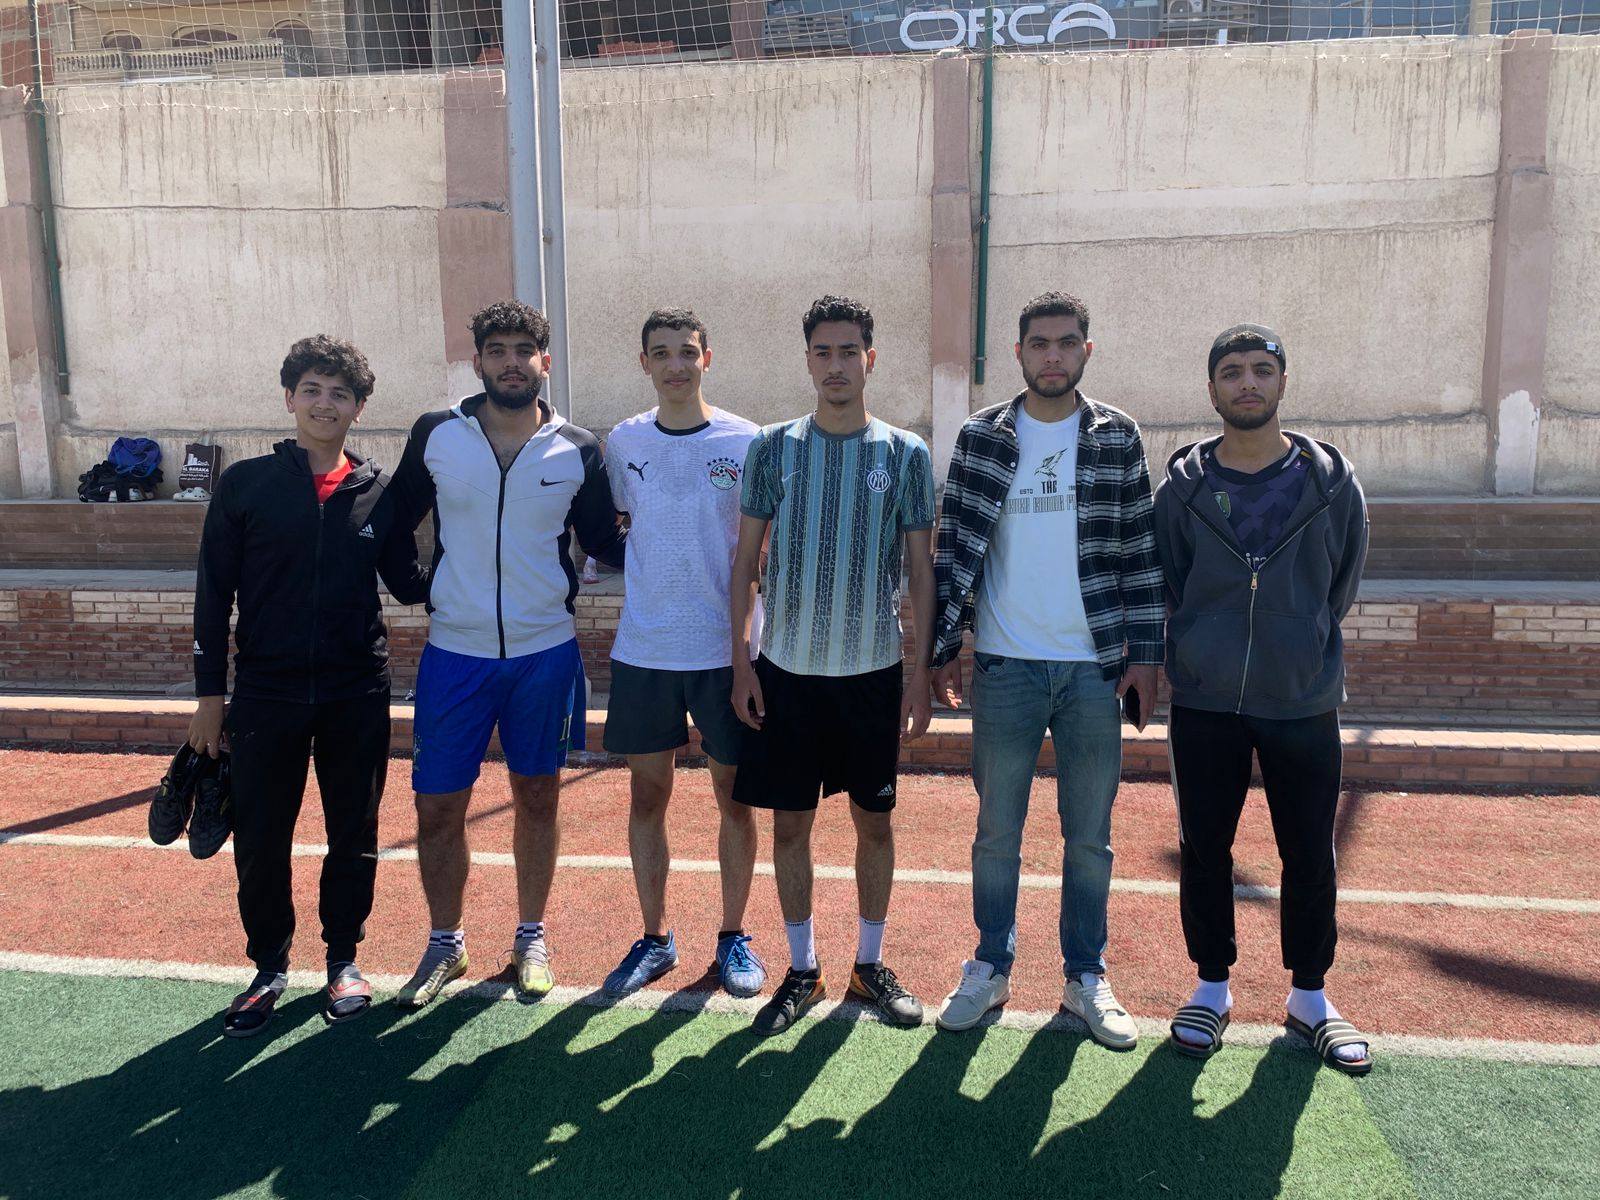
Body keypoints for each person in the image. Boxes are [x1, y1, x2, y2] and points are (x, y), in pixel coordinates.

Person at [930, 292, 1162, 1050]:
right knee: (997, 831)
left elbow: (1140, 550)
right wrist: (943, 649)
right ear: (1020, 353)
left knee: (1089, 836)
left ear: (1086, 350)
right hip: (1006, 669)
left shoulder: (1117, 435)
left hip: (1094, 671)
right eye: (1039, 343)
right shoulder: (982, 436)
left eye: (1066, 343)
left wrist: (1146, 657)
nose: (1052, 355)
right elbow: (953, 548)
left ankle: (1084, 975)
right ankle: (991, 964)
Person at [185, 335, 427, 1036]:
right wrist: (210, 697)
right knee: (261, 836)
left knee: (354, 832)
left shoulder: (378, 491)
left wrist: (483, 551)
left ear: (359, 408)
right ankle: (268, 967)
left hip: (357, 690)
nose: (326, 404)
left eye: (340, 393)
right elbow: (212, 595)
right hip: (265, 693)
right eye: (313, 390)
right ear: (290, 397)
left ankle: (343, 959)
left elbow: (409, 584)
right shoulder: (246, 485)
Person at [389, 300, 626, 1007]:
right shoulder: (436, 433)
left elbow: (606, 542)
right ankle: (446, 942)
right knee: (437, 807)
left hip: (543, 655)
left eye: (525, 350)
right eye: (497, 350)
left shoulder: (578, 447)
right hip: (454, 656)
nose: (512, 362)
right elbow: (391, 523)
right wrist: (420, 589)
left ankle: (531, 936)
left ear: (544, 362)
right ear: (479, 362)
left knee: (538, 798)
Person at [1152, 323, 1373, 1075]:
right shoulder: (1182, 491)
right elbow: (1174, 579)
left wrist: (1297, 642)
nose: (1247, 383)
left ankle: (1310, 997)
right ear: (1212, 388)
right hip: (1207, 701)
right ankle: (1211, 988)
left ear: (1282, 381)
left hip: (1301, 699)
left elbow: (1339, 585)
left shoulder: (1331, 485)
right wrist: (1206, 649)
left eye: (1260, 370)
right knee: (1205, 847)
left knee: (1308, 850)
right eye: (1232, 372)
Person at [730, 295, 936, 1037]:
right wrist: (742, 665)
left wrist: (919, 673)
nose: (837, 365)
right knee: (791, 826)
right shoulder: (773, 447)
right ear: (808, 360)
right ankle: (803, 968)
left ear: (870, 359)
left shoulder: (905, 453)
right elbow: (746, 564)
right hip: (786, 672)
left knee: (874, 823)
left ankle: (869, 964)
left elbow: (922, 572)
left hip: (872, 673)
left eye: (850, 351)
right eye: (824, 352)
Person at [598, 308, 766, 999]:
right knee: (648, 796)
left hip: (726, 654)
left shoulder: (747, 441)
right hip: (645, 651)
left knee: (735, 799)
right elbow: (618, 525)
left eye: (687, 352)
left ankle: (733, 936)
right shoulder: (622, 441)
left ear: (707, 358)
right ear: (644, 363)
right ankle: (655, 938)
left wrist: (748, 649)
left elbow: (759, 551)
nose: (676, 365)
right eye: (661, 353)